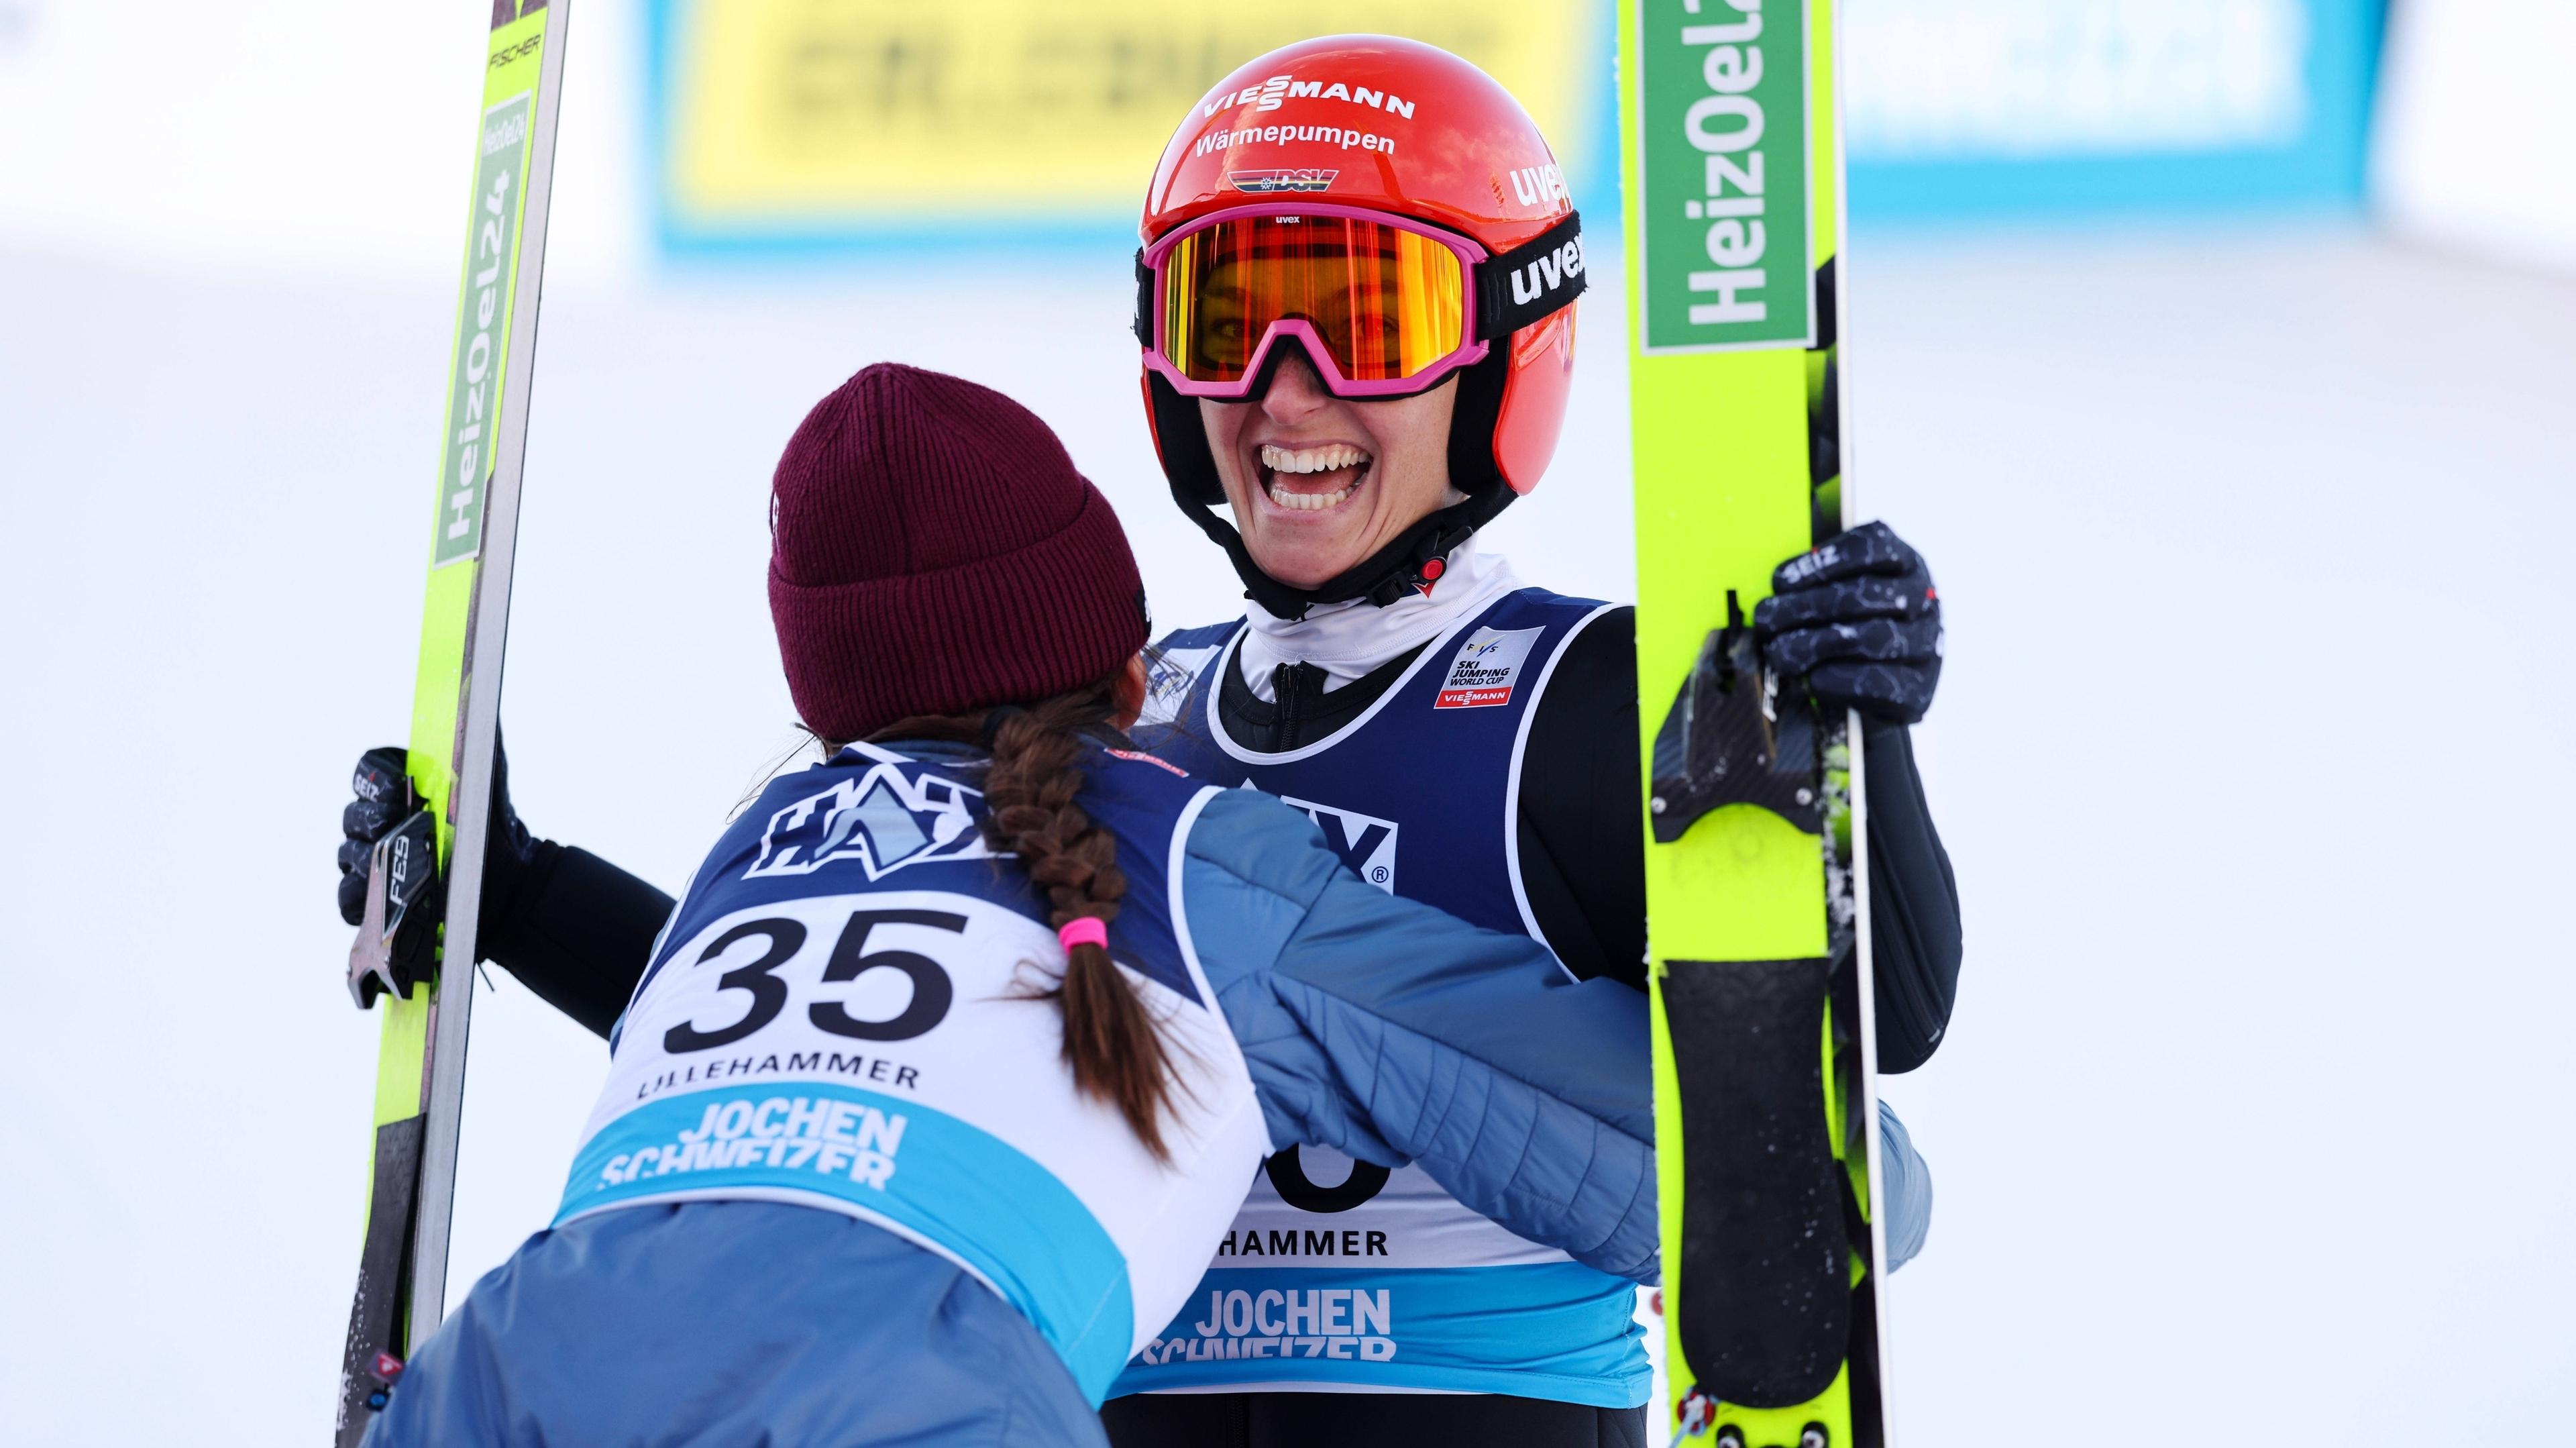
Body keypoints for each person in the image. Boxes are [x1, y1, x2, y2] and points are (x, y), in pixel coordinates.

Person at [335, 36, 1960, 1447]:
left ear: (1500, 344)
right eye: (1229, 316)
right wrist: (522, 894)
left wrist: (1855, 744)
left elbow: (1877, 1026)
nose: (1283, 388)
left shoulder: (1575, 691)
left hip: (1470, 1409)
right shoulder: (1114, 711)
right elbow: (859, 1057)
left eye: (1365, 319)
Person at [354, 364, 1660, 1448]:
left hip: (509, 1368)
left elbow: (817, 1087)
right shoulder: (1204, 864)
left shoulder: (756, 845)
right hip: (915, 1403)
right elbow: (1652, 1159)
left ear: (824, 697)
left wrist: (512, 895)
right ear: (1131, 674)